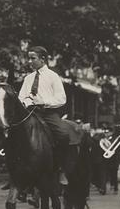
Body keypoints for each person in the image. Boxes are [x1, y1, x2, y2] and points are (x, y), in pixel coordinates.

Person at [18, 46, 81, 185]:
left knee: (63, 135)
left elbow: (61, 99)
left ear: (43, 59)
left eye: (33, 58)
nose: (30, 61)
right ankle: (17, 173)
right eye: (29, 58)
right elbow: (21, 96)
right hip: (30, 113)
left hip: (48, 113)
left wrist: (44, 102)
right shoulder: (28, 78)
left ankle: (61, 169)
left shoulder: (53, 76)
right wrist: (27, 102)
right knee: (15, 134)